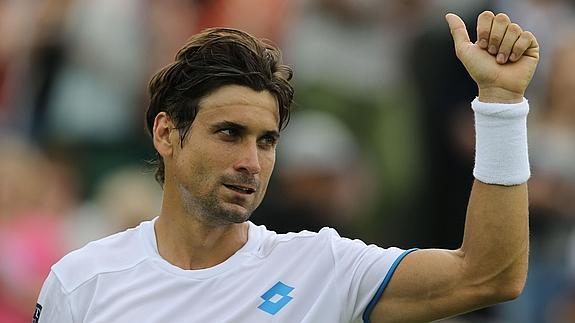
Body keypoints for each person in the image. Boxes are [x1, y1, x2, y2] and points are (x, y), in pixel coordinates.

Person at [34, 11, 539, 323]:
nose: (251, 162)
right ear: (167, 133)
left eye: (267, 140)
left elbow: (489, 275)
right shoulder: (82, 282)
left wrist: (500, 103)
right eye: (229, 133)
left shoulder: (324, 268)